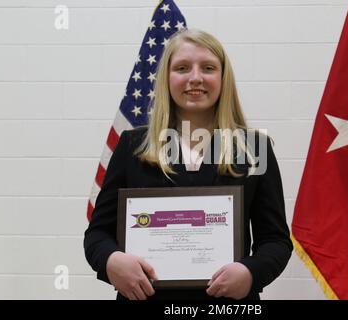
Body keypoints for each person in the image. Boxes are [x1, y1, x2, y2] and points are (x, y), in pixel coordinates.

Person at [84, 29, 292, 300]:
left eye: (208, 68)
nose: (195, 78)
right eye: (182, 68)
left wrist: (251, 272)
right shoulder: (132, 145)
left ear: (223, 78)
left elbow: (275, 241)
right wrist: (111, 261)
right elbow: (98, 233)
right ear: (167, 79)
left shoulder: (255, 149)